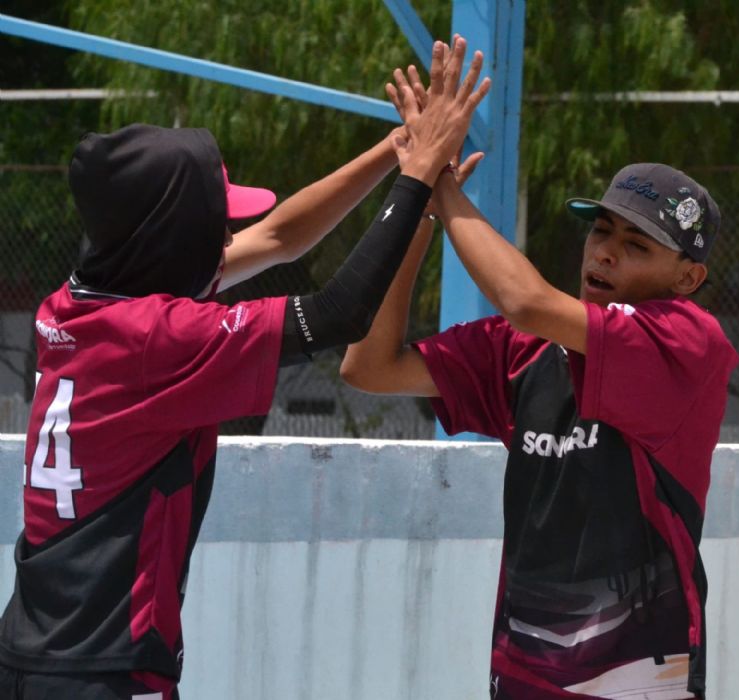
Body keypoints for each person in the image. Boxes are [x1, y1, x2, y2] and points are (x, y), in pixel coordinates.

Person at [0, 37, 490, 700]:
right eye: (216, 224)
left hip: (30, 649)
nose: (230, 238)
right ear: (170, 242)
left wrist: (400, 146)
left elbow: (282, 237)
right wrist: (419, 175)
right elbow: (341, 313)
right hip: (104, 668)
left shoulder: (80, 305)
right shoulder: (163, 340)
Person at [341, 63, 739, 700]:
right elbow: (369, 366)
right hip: (523, 672)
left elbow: (523, 298)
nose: (604, 252)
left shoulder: (688, 342)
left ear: (687, 278)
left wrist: (437, 181)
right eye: (600, 231)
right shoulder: (522, 351)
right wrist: (416, 210)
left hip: (640, 675)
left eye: (637, 246)